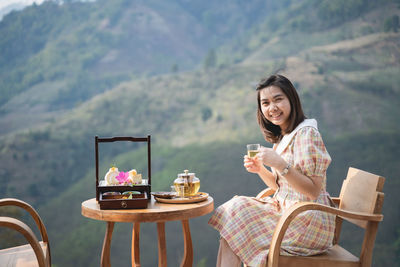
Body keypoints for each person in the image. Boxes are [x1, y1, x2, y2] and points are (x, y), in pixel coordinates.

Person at [208, 74, 335, 267]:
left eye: (278, 99)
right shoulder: (284, 136)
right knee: (232, 222)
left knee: (235, 220)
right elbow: (281, 187)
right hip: (288, 214)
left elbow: (312, 191)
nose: (272, 108)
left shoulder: (307, 134)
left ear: (291, 99)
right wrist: (260, 169)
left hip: (307, 221)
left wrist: (279, 164)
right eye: (265, 103)